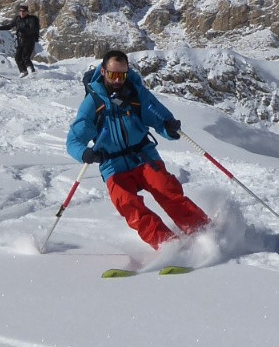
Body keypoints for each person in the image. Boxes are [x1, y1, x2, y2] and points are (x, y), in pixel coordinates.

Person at [66, 50, 209, 249]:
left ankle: (204, 232)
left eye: (122, 75)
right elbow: (74, 140)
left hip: (143, 156)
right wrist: (85, 153)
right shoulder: (93, 102)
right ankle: (168, 244)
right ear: (104, 72)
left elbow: (159, 117)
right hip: (112, 164)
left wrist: (169, 128)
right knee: (128, 205)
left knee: (167, 190)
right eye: (113, 74)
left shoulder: (135, 92)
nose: (117, 80)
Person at [0, 4, 41, 76]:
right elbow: (9, 26)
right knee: (17, 57)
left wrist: (24, 30)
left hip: (29, 40)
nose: (22, 13)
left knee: (25, 57)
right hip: (20, 41)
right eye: (21, 11)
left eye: (24, 11)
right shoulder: (17, 19)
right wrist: (0, 28)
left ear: (27, 12)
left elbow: (33, 29)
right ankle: (23, 72)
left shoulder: (32, 19)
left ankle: (32, 72)